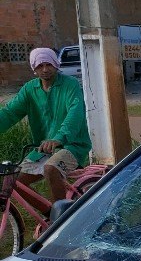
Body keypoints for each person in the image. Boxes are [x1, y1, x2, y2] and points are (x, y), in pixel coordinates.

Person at [0, 47, 92, 204]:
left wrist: (59, 138)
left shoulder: (70, 84)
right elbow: (10, 113)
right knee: (15, 181)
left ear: (56, 64)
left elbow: (75, 114)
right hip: (42, 149)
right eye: (39, 66)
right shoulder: (30, 89)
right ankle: (50, 213)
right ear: (34, 68)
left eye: (48, 64)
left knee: (51, 169)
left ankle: (63, 215)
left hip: (72, 146)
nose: (44, 69)